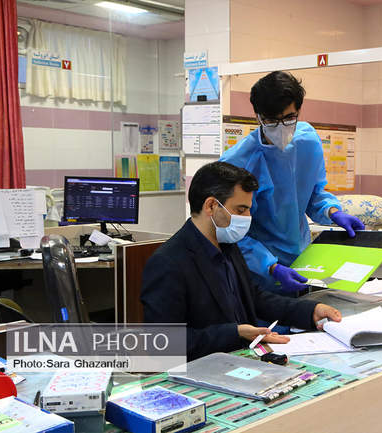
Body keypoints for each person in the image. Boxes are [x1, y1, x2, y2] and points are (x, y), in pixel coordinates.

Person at [141, 161, 341, 360]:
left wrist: (310, 311)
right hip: (202, 369)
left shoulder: (228, 245)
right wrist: (234, 333)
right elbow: (162, 343)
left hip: (241, 360)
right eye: (240, 210)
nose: (248, 217)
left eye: (248, 210)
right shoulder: (168, 262)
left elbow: (254, 297)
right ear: (211, 205)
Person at [220, 71, 364, 294]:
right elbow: (233, 232)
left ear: (298, 111)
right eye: (270, 120)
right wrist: (270, 266)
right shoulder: (236, 163)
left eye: (289, 118)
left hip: (304, 259)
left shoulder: (308, 141)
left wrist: (332, 212)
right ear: (257, 116)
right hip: (258, 271)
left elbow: (314, 194)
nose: (281, 127)